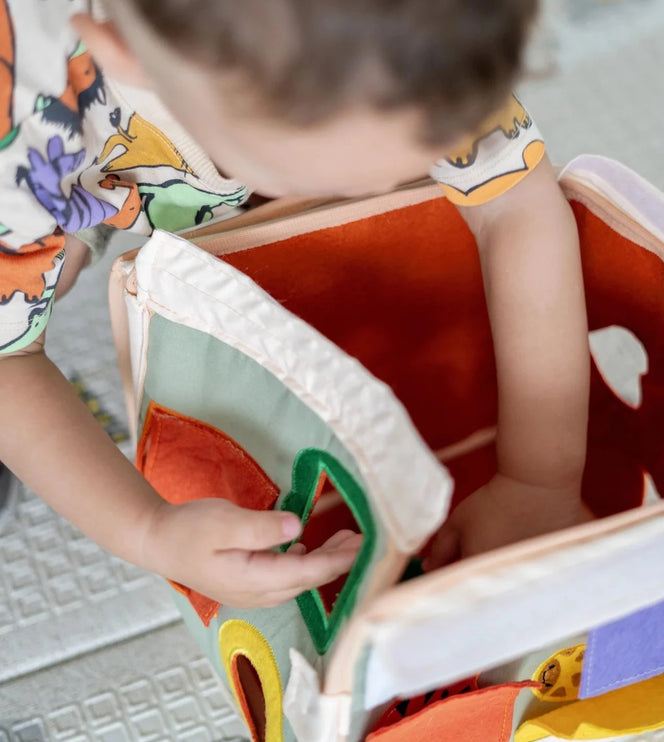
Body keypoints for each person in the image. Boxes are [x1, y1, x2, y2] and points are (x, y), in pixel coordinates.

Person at [0, 0, 590, 606]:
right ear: (129, 51)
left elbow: (516, 203)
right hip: (60, 145)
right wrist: (150, 531)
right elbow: (6, 363)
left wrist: (540, 478)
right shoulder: (21, 126)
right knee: (38, 283)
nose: (383, 190)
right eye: (331, 178)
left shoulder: (410, 41)